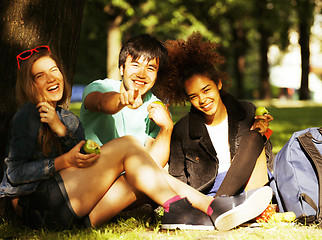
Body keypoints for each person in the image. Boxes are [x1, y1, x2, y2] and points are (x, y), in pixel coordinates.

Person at [0, 46, 273, 231]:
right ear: (30, 83)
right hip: (36, 208)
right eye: (40, 75)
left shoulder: (66, 119)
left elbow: (80, 165)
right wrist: (62, 161)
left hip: (75, 214)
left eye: (54, 70)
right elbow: (13, 173)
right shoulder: (27, 116)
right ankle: (200, 207)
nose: (51, 78)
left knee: (139, 170)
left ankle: (208, 208)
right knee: (130, 145)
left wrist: (62, 132)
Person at [159, 32, 274, 198]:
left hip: (250, 183)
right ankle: (221, 205)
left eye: (206, 90)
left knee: (254, 138)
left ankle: (223, 206)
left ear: (218, 83)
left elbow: (266, 161)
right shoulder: (183, 130)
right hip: (210, 194)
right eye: (193, 96)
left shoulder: (247, 111)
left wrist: (263, 133)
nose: (202, 100)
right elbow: (178, 180)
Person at [80, 34, 172, 167]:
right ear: (122, 68)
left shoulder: (158, 110)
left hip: (131, 179)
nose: (141, 74)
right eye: (135, 65)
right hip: (93, 171)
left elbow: (155, 165)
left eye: (150, 68)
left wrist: (167, 128)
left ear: (157, 75)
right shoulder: (100, 87)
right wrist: (121, 100)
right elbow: (101, 102)